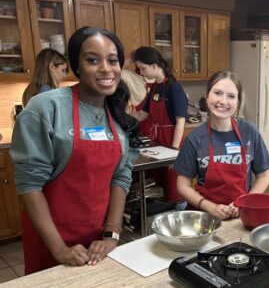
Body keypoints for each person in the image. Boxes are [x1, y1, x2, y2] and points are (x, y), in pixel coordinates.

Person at [10, 27, 140, 275]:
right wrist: (59, 249)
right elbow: (29, 186)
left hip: (97, 242)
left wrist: (111, 234)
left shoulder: (116, 113)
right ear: (76, 66)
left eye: (112, 60)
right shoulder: (46, 108)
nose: (105, 68)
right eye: (92, 60)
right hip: (50, 238)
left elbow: (121, 177)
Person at [174, 71, 269, 220]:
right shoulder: (194, 138)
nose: (223, 101)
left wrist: (245, 203)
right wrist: (210, 207)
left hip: (242, 216)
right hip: (205, 218)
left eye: (231, 96)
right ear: (207, 96)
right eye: (218, 93)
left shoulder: (249, 132)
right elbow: (182, 185)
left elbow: (263, 176)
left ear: (238, 102)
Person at [132, 46, 188, 203]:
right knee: (160, 183)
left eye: (143, 68)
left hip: (172, 142)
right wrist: (122, 121)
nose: (141, 73)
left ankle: (179, 211)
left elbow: (180, 121)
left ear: (154, 66)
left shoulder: (174, 88)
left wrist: (174, 152)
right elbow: (143, 114)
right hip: (158, 143)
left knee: (174, 186)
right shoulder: (155, 87)